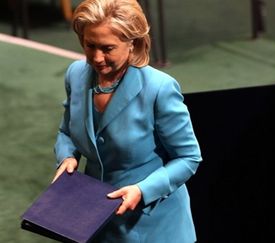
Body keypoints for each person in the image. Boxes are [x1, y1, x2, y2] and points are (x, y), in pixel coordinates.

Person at [52, 0, 202, 242]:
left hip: (152, 228)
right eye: (90, 45)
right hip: (94, 224)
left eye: (107, 48)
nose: (97, 58)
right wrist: (67, 157)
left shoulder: (159, 88)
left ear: (133, 43)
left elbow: (188, 158)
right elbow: (67, 132)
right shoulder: (76, 74)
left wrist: (142, 191)